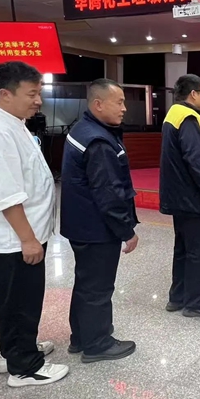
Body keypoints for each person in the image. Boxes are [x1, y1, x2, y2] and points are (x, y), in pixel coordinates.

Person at [0, 62, 68, 387]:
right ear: (6, 94)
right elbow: (7, 195)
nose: (38, 101)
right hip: (14, 238)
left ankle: (15, 351)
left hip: (23, 234)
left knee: (19, 300)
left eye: (39, 93)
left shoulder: (12, 123)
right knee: (17, 302)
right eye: (32, 94)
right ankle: (24, 368)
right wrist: (28, 239)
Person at [60, 79, 138, 363]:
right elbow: (109, 193)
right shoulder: (99, 141)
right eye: (119, 102)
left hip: (81, 225)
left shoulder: (83, 129)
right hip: (96, 228)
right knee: (99, 287)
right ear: (98, 104)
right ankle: (97, 344)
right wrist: (127, 230)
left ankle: (81, 337)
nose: (124, 108)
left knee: (86, 283)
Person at [160, 74, 200, 319]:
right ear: (193, 94)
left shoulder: (173, 114)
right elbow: (198, 159)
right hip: (193, 198)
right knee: (199, 252)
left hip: (179, 197)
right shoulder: (189, 118)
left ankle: (178, 297)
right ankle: (196, 303)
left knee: (183, 249)